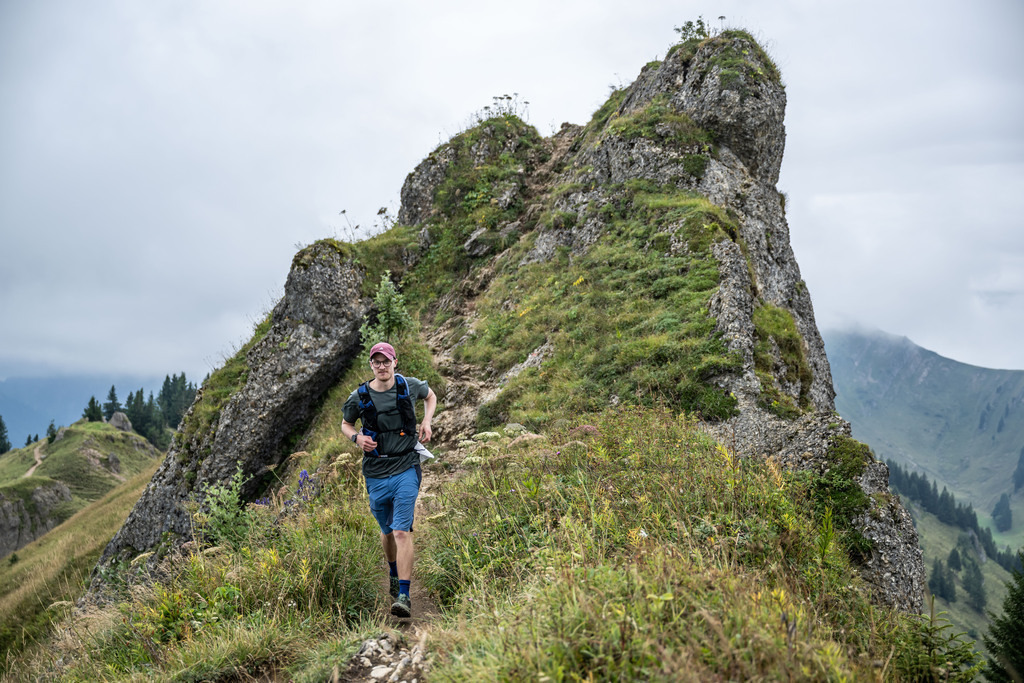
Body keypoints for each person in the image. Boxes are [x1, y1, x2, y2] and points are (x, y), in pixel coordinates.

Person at [341, 341, 436, 618]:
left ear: (395, 362)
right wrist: (356, 438)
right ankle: (393, 572)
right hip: (376, 472)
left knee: (400, 531)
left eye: (386, 361)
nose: (382, 366)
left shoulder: (409, 386)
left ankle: (404, 595)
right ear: (371, 365)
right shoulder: (358, 397)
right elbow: (346, 424)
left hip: (407, 466)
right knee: (387, 531)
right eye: (376, 362)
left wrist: (427, 421)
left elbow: (430, 396)